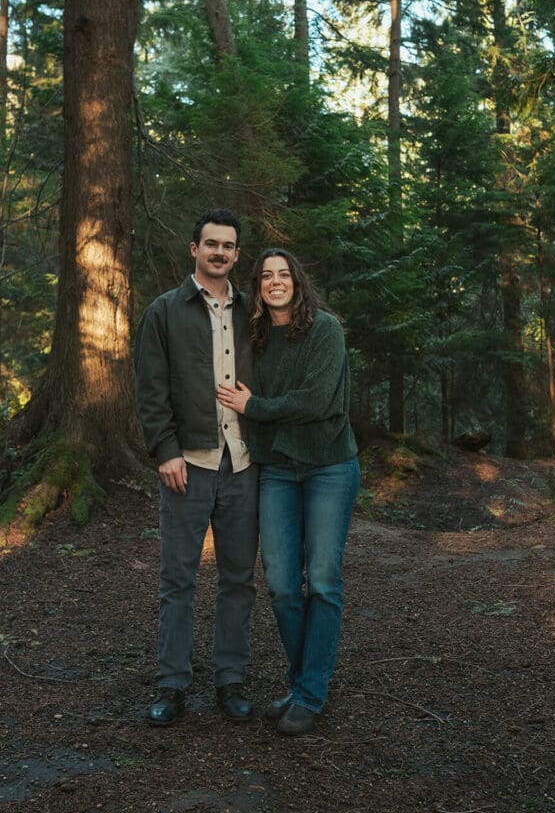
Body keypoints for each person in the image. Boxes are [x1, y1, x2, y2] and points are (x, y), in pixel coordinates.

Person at [217, 248, 359, 736]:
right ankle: (304, 684)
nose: (276, 282)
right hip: (277, 469)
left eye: (284, 275)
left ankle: (310, 692)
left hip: (328, 467)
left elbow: (318, 402)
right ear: (257, 286)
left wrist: (255, 408)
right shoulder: (254, 336)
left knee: (321, 579)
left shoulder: (326, 329)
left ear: (297, 281)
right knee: (280, 585)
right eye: (266, 277)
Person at [134, 210, 259, 727]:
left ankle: (230, 681)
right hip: (189, 462)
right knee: (177, 579)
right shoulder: (165, 311)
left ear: (235, 254)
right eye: (211, 244)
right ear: (193, 249)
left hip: (244, 463)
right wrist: (164, 449)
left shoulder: (253, 312)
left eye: (228, 246)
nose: (219, 253)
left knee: (238, 579)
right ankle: (172, 684)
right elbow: (151, 386)